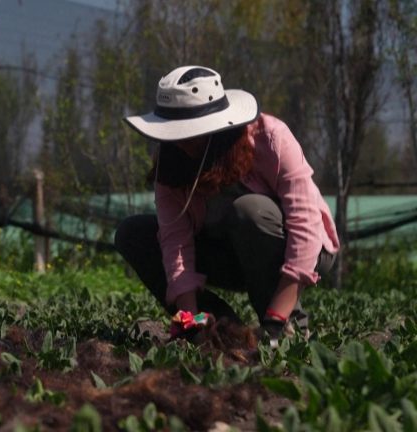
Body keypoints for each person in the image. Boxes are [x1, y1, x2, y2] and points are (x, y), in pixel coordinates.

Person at [114, 65, 339, 344]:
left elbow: (305, 226)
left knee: (249, 210)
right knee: (132, 233)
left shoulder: (270, 138)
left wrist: (276, 319)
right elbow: (175, 243)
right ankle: (220, 328)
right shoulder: (170, 164)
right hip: (229, 256)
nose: (181, 142)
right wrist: (189, 319)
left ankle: (286, 329)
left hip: (299, 248)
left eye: (189, 132)